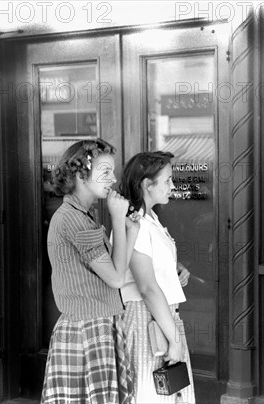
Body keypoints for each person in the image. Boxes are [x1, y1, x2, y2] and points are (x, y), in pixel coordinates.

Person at [42, 139, 137, 404]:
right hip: (87, 329)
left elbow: (117, 273)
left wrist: (131, 231)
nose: (114, 178)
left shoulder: (80, 214)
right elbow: (117, 278)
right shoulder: (74, 218)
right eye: (105, 172)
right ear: (81, 176)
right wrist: (118, 220)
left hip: (94, 324)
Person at [119, 151, 196, 403]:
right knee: (152, 394)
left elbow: (152, 265)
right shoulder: (135, 223)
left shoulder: (150, 218)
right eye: (167, 181)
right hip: (146, 320)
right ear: (146, 184)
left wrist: (175, 267)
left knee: (169, 394)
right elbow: (147, 287)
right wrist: (174, 339)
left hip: (162, 317)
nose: (172, 186)